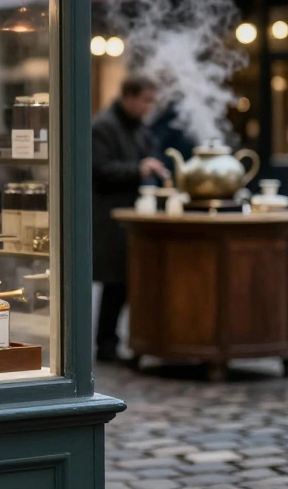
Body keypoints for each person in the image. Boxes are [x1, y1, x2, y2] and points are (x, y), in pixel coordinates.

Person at [91, 73, 169, 362]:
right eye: (146, 100)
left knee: (124, 282)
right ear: (129, 97)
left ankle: (118, 342)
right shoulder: (103, 126)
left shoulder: (138, 127)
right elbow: (99, 169)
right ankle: (106, 344)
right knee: (115, 283)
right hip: (111, 217)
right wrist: (138, 169)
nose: (149, 107)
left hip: (131, 216)